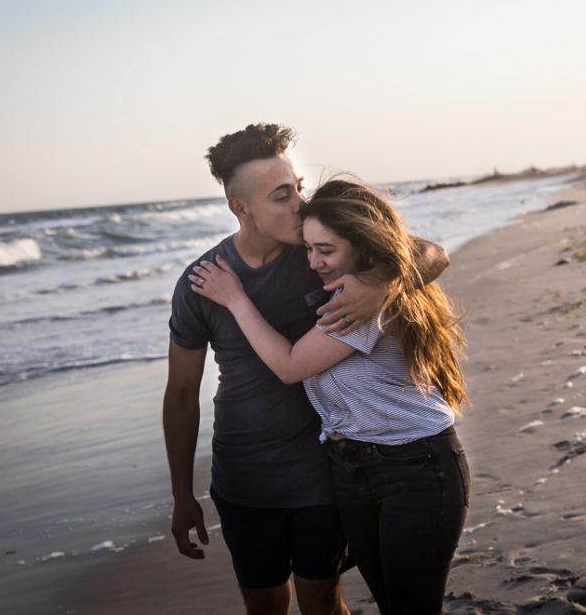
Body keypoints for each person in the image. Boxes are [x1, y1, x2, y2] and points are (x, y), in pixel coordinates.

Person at [162, 124, 449, 615]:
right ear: (241, 207)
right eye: (281, 195)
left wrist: (379, 284)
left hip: (325, 471)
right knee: (265, 604)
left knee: (322, 602)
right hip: (243, 475)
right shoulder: (205, 282)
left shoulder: (322, 254)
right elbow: (181, 394)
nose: (299, 203)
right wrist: (181, 493)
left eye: (298, 187)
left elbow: (429, 253)